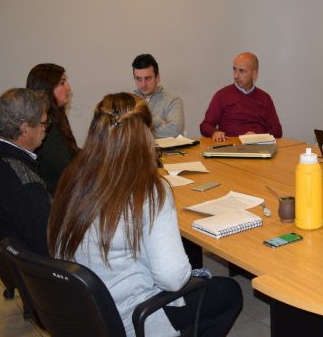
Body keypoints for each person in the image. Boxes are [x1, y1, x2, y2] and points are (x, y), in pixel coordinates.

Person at [48, 93, 242, 336]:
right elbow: (173, 279)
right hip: (133, 318)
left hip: (83, 315)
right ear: (145, 135)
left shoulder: (72, 178)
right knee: (229, 292)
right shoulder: (148, 190)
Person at [0, 88, 51, 255]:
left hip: (15, 256)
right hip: (39, 267)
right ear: (25, 128)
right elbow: (47, 246)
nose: (45, 129)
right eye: (43, 123)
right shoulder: (26, 184)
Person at [199, 52, 282, 141]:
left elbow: (277, 130)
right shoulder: (222, 95)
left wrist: (258, 137)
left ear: (254, 74)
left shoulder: (265, 98)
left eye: (242, 71)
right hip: (230, 146)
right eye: (234, 69)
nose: (236, 76)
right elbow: (205, 125)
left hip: (258, 147)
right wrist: (214, 132)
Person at [26, 63, 80, 195]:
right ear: (46, 88)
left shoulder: (57, 115)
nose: (68, 87)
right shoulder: (45, 124)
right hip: (54, 194)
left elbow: (72, 153)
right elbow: (68, 169)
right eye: (62, 83)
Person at [132, 54, 185, 138]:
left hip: (167, 151)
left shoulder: (173, 100)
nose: (143, 84)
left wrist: (138, 132)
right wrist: (158, 122)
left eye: (148, 78)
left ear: (157, 77)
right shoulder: (128, 101)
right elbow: (123, 133)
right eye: (138, 79)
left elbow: (174, 131)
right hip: (137, 151)